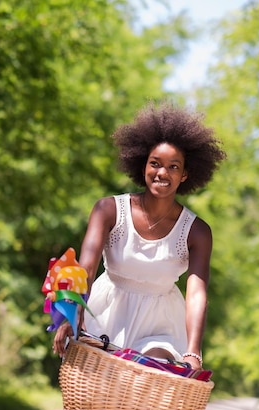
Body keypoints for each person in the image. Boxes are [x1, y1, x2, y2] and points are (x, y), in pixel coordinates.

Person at [53, 101, 226, 371]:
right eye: (155, 163)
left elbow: (196, 294)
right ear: (142, 164)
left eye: (173, 167)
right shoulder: (108, 209)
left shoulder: (197, 231)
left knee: (151, 374)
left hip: (160, 325)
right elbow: (86, 266)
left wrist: (193, 351)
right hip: (105, 310)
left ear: (185, 175)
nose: (162, 173)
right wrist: (72, 314)